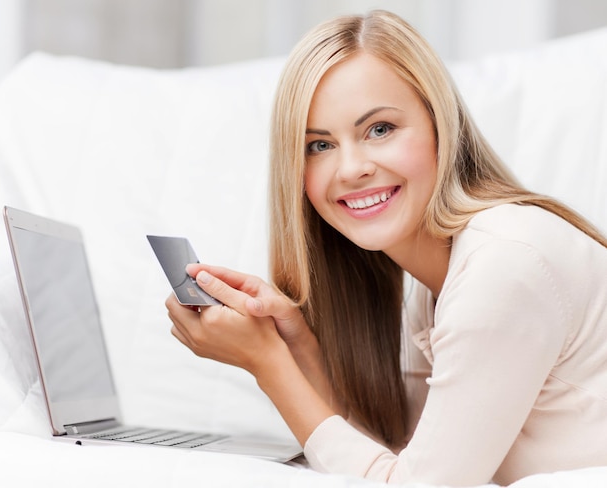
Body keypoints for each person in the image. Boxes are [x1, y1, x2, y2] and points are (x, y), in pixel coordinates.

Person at [165, 9, 607, 486]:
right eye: (318, 146)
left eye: (379, 129)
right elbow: (400, 460)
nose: (351, 168)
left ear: (441, 124)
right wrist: (298, 347)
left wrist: (268, 365)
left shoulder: (503, 266)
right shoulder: (435, 286)